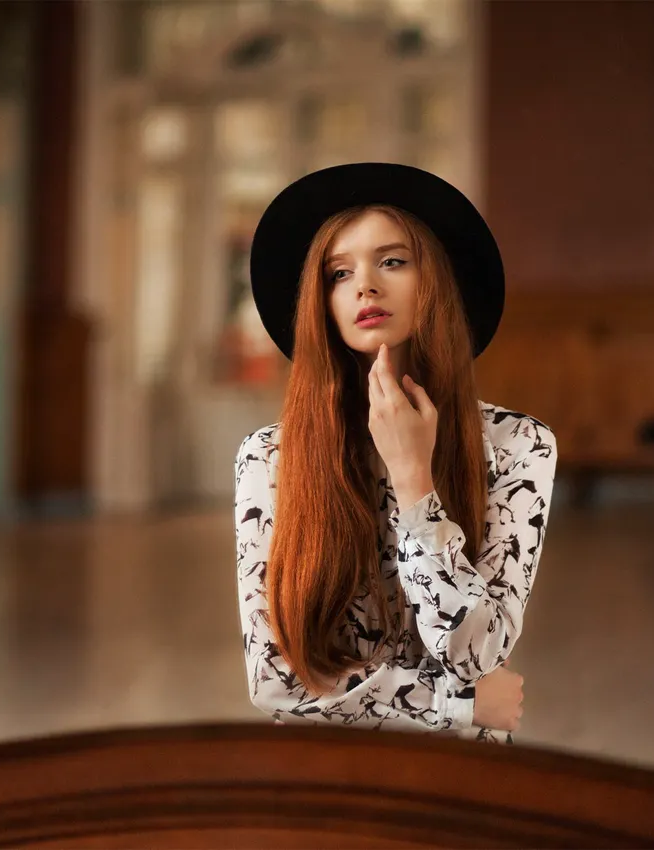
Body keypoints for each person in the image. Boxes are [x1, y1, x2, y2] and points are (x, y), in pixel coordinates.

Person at [234, 163, 557, 743]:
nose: (365, 286)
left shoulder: (517, 445)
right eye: (339, 272)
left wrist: (415, 486)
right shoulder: (268, 458)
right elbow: (274, 681)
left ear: (436, 279)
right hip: (324, 783)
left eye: (392, 261)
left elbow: (476, 651)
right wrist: (456, 706)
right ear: (321, 300)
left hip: (464, 786)